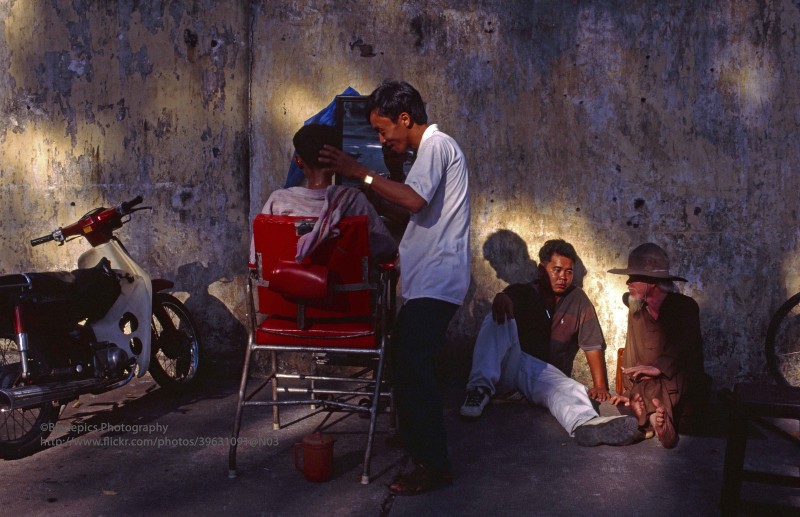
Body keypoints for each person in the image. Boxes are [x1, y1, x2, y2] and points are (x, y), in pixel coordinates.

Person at [319, 80, 470, 495]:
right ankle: (416, 436)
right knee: (407, 363)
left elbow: (415, 202)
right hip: (427, 279)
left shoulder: (437, 145)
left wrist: (359, 173)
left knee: (413, 367)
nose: (382, 138)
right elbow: (411, 213)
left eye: (384, 130)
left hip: (439, 279)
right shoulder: (428, 154)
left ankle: (433, 464)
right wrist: (379, 181)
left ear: (406, 119)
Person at [460, 239, 641, 447]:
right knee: (498, 316)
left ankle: (587, 424)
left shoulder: (577, 299)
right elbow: (507, 300)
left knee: (569, 386)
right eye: (556, 270)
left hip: (541, 379)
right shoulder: (522, 292)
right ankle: (478, 389)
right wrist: (502, 297)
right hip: (509, 374)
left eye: (569, 271)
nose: (563, 277)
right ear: (541, 269)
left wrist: (600, 385)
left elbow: (592, 344)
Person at [248, 123, 396, 266]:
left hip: (288, 289)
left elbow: (256, 257)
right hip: (344, 290)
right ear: (337, 162)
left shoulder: (278, 201)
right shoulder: (353, 200)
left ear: (299, 162)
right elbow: (385, 249)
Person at [608, 242, 710, 449]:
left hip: (681, 382)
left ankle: (651, 421)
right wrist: (630, 385)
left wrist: (657, 369)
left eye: (633, 278)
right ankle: (661, 425)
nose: (628, 282)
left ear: (651, 282)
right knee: (646, 384)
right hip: (649, 386)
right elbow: (632, 356)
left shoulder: (685, 307)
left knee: (660, 381)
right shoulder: (636, 311)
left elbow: (685, 351)